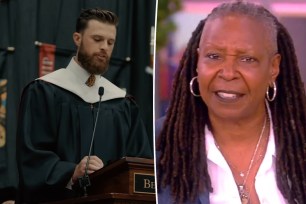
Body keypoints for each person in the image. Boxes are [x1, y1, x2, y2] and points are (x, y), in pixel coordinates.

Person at [156, 1, 306, 204]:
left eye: (247, 59)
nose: (227, 73)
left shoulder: (300, 143)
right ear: (198, 61)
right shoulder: (155, 147)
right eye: (214, 56)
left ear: (273, 67)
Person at [16, 8, 152, 203]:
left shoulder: (122, 103)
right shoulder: (44, 91)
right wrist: (71, 172)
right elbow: (32, 157)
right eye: (97, 39)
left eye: (110, 42)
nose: (105, 47)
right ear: (77, 38)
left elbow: (139, 166)